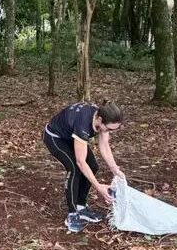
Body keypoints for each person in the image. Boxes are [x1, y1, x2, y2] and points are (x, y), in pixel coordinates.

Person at [43, 100, 124, 233]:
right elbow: (81, 162)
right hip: (56, 138)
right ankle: (72, 213)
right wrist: (99, 187)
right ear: (99, 119)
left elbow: (104, 146)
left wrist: (115, 169)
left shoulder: (102, 116)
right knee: (74, 168)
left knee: (93, 166)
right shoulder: (83, 124)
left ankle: (81, 206)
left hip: (71, 137)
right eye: (109, 129)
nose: (109, 132)